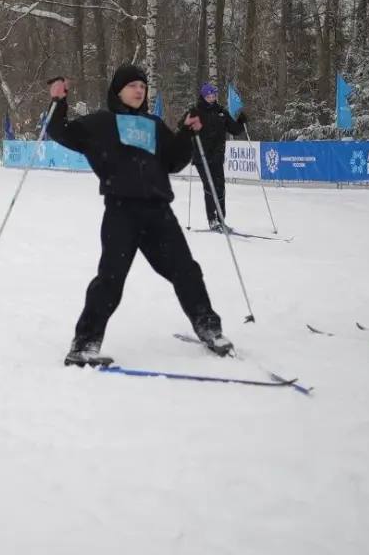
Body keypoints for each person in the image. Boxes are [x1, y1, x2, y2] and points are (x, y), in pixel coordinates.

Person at [46, 65, 234, 367]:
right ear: (118, 90)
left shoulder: (154, 125)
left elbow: (173, 161)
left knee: (186, 269)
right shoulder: (102, 123)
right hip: (122, 211)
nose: (139, 90)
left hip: (158, 212)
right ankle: (84, 344)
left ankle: (209, 327)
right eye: (132, 85)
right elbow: (60, 131)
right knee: (110, 279)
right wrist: (58, 101)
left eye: (143, 86)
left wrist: (186, 133)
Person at [188, 83, 247, 231]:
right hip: (202, 157)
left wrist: (241, 121)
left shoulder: (221, 112)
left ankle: (221, 219)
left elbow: (235, 130)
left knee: (220, 187)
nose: (212, 98)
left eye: (214, 95)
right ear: (203, 96)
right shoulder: (196, 112)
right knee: (210, 186)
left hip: (217, 156)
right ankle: (212, 219)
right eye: (209, 95)